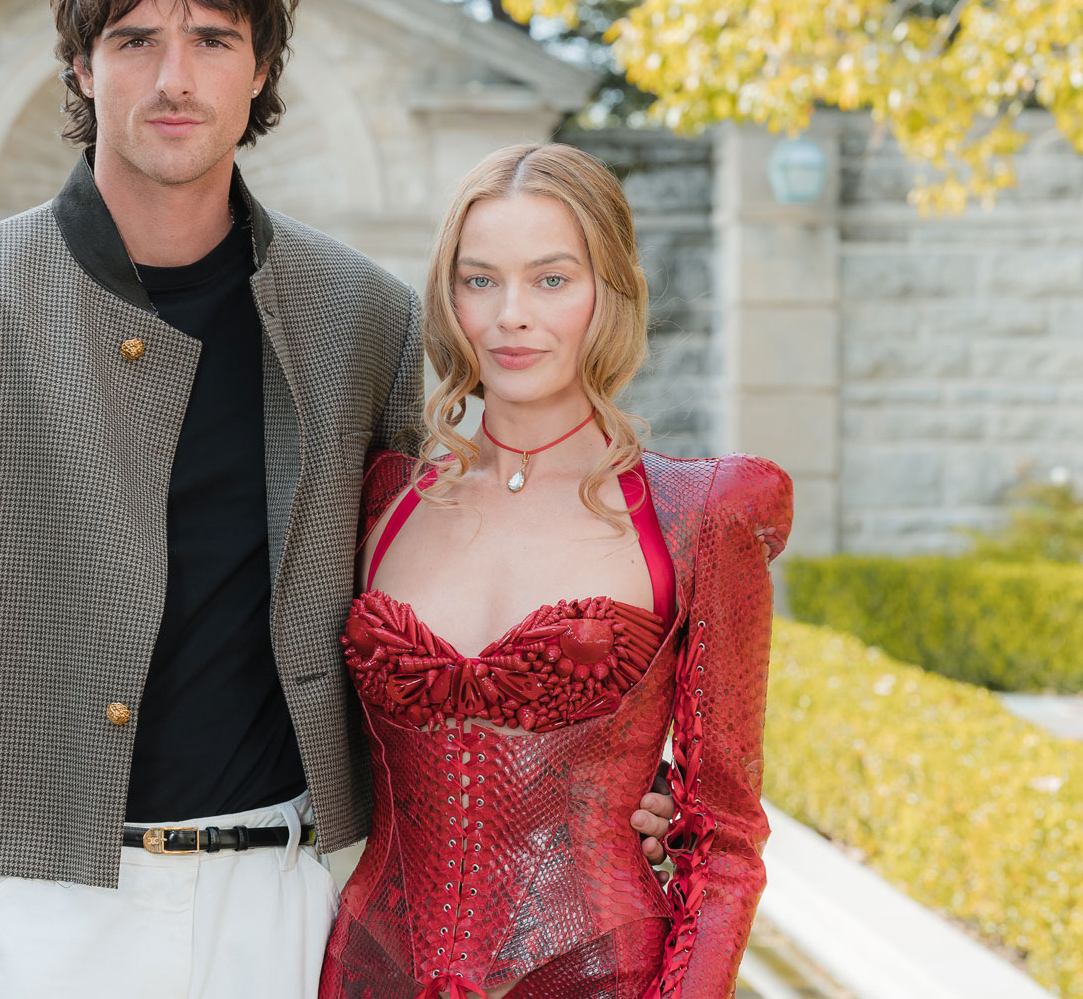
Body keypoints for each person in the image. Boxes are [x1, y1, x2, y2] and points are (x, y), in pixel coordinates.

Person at [0, 0, 677, 998]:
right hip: (18, 919)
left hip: (286, 911)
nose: (175, 77)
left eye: (213, 39)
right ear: (80, 66)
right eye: (135, 40)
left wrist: (598, 777)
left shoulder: (361, 317)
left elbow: (420, 609)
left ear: (260, 69)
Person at [320, 142, 792, 999]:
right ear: (449, 298)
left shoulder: (694, 517)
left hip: (596, 975)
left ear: (609, 292)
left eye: (550, 280)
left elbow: (725, 845)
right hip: (368, 972)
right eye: (480, 280)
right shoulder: (380, 501)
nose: (512, 316)